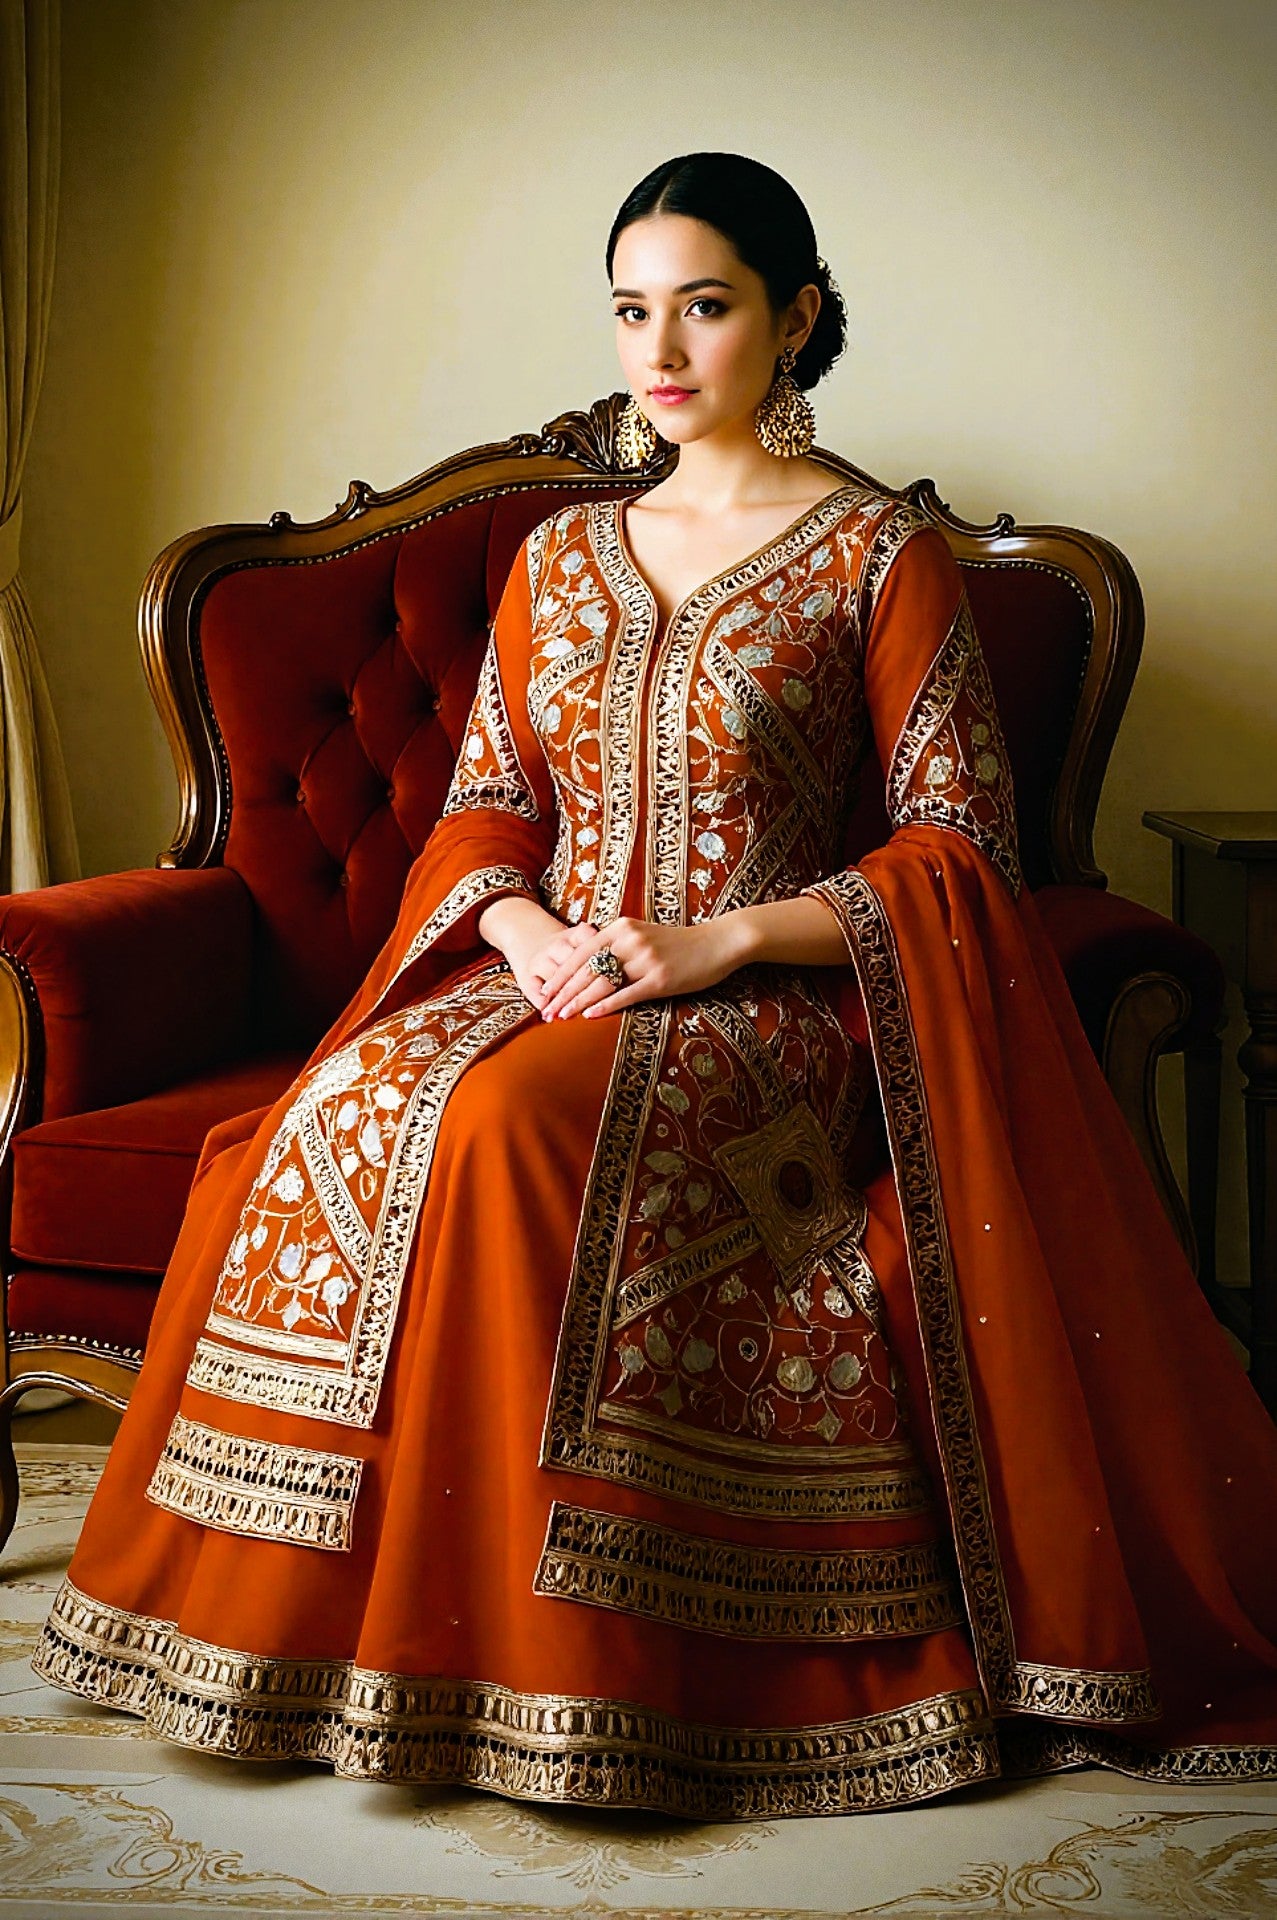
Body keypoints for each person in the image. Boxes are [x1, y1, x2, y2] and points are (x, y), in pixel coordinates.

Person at [31, 151, 1277, 1819]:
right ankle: (316, 1640)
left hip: (775, 1003)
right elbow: (489, 802)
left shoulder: (875, 561)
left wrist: (715, 944)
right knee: (355, 1103)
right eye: (633, 310)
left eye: (704, 305)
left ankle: (532, 1669)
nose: (662, 349)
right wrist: (524, 933)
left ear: (796, 318)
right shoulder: (561, 560)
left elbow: (960, 858)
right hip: (552, 968)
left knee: (506, 1134)